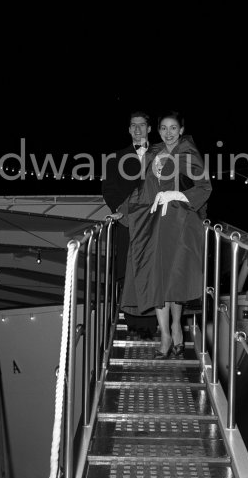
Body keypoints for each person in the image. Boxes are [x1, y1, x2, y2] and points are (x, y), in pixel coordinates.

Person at [117, 110, 212, 359]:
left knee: (175, 278)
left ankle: (176, 326)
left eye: (173, 128)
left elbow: (205, 187)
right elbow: (144, 188)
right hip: (155, 224)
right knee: (157, 274)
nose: (168, 133)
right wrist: (125, 210)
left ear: (181, 130)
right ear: (158, 130)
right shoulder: (153, 152)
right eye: (163, 128)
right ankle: (165, 335)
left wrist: (176, 195)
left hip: (180, 224)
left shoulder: (188, 152)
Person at [101, 110, 156, 339]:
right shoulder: (114, 157)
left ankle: (152, 325)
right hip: (128, 223)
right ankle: (133, 323)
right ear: (128, 129)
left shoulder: (163, 155)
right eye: (133, 125)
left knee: (153, 274)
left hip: (155, 223)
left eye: (141, 125)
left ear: (149, 129)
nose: (137, 129)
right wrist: (123, 214)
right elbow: (108, 190)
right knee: (128, 273)